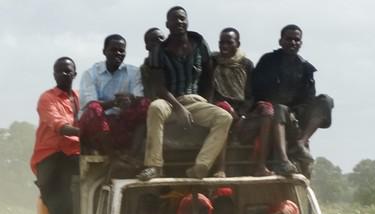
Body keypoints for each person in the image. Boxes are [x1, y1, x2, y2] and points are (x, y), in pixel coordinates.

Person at [137, 6, 233, 181]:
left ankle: (201, 166)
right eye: (174, 19)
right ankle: (154, 165)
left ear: (187, 21)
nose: (179, 22)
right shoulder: (160, 50)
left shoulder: (199, 43)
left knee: (224, 117)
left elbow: (209, 77)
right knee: (155, 107)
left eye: (182, 18)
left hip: (196, 100)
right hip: (170, 101)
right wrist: (179, 108)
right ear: (167, 24)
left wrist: (208, 103)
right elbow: (159, 87)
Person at [251, 25, 335, 177]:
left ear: (301, 43)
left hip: (296, 115)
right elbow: (254, 89)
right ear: (281, 41)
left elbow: (310, 98)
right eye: (289, 39)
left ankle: (301, 143)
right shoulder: (268, 61)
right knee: (279, 108)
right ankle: (283, 161)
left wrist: (299, 115)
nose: (293, 43)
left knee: (326, 100)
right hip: (271, 113)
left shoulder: (306, 68)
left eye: (297, 40)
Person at [31, 57, 80, 214]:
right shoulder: (47, 99)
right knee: (61, 208)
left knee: (89, 204)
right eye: (60, 71)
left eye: (68, 71)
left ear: (75, 74)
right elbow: (59, 125)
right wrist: (88, 132)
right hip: (50, 160)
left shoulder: (80, 98)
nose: (65, 75)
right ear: (54, 74)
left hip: (74, 157)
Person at [212, 27, 275, 176]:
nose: (224, 46)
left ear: (237, 44)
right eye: (222, 42)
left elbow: (251, 95)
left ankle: (261, 166)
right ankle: (221, 168)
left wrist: (243, 115)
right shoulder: (213, 62)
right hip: (219, 109)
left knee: (267, 109)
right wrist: (230, 111)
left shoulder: (246, 64)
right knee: (222, 111)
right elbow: (210, 91)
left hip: (243, 113)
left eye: (229, 42)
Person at [77, 35, 148, 160]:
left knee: (145, 104)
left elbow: (139, 97)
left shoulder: (134, 72)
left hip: (121, 123)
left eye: (121, 50)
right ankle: (112, 157)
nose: (118, 53)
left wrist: (130, 99)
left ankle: (131, 156)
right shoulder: (90, 74)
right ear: (104, 51)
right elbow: (90, 104)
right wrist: (114, 103)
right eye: (113, 50)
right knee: (94, 109)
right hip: (97, 127)